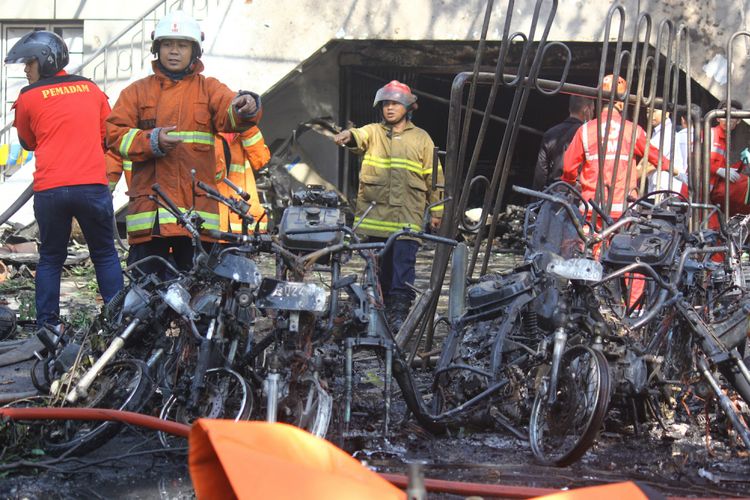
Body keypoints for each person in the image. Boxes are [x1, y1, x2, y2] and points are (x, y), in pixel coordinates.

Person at [106, 11, 262, 274]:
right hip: (151, 219)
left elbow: (230, 112)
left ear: (195, 51)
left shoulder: (209, 88)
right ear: (157, 49)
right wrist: (151, 140)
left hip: (196, 218)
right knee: (146, 297)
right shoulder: (136, 92)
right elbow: (114, 134)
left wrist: (246, 106)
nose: (174, 51)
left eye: (182, 45)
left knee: (199, 295)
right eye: (167, 44)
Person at [4, 30, 123, 328]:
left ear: (44, 61)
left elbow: (28, 142)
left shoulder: (28, 97)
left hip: (51, 190)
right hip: (92, 187)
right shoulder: (91, 90)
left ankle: (48, 328)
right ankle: (118, 324)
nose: (25, 69)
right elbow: (106, 136)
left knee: (51, 258)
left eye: (29, 63)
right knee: (105, 255)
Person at [332, 80, 444, 329]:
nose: (389, 108)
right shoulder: (373, 132)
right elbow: (358, 136)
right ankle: (375, 313)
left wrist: (437, 211)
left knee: (403, 268)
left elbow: (434, 178)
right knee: (377, 270)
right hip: (376, 218)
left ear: (407, 107)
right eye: (385, 104)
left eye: (395, 104)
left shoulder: (422, 139)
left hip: (407, 218)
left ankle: (398, 315)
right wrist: (348, 135)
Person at [562, 74, 671, 220]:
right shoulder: (633, 130)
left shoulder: (586, 130)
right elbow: (658, 158)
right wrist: (674, 170)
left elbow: (568, 168)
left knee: (589, 242)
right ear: (621, 103)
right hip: (623, 214)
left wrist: (569, 184)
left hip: (591, 211)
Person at [215, 126, 271, 234]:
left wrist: (246, 125)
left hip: (243, 223)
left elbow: (261, 160)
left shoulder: (244, 130)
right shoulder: (207, 132)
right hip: (214, 223)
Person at [533, 95, 594, 191]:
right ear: (586, 110)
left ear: (570, 108)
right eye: (593, 111)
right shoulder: (590, 135)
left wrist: (537, 200)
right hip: (578, 195)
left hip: (553, 192)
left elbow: (541, 173)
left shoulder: (550, 133)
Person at [708, 100, 750, 216]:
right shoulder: (709, 134)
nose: (728, 119)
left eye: (733, 116)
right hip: (697, 194)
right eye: (724, 115)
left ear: (739, 120)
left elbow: (723, 169)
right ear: (717, 118)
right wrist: (719, 170)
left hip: (709, 196)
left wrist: (742, 163)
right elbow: (696, 162)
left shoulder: (726, 140)